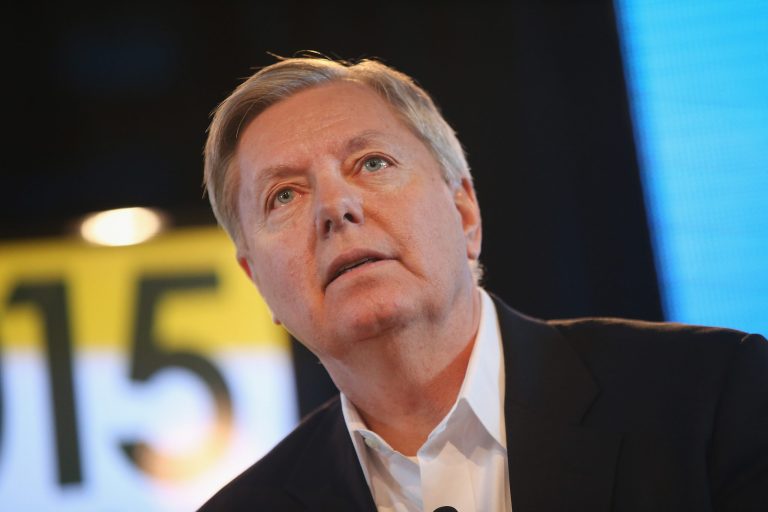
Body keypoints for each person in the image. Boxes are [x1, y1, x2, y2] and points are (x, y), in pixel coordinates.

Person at [197, 56, 768, 511]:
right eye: (284, 196)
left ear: (464, 212)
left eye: (372, 163)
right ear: (256, 281)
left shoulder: (714, 395)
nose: (335, 207)